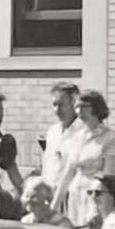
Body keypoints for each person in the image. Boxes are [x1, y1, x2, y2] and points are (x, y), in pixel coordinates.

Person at [57, 91, 115, 229]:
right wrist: (54, 206)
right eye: (77, 106)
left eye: (84, 106)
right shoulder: (76, 136)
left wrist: (99, 206)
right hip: (75, 195)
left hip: (94, 196)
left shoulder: (110, 137)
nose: (79, 111)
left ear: (96, 107)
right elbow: (67, 173)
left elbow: (109, 176)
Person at [37, 82, 85, 211]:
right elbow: (47, 165)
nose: (57, 110)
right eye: (54, 105)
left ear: (74, 103)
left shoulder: (84, 132)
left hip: (72, 199)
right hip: (49, 195)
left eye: (61, 105)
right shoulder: (53, 132)